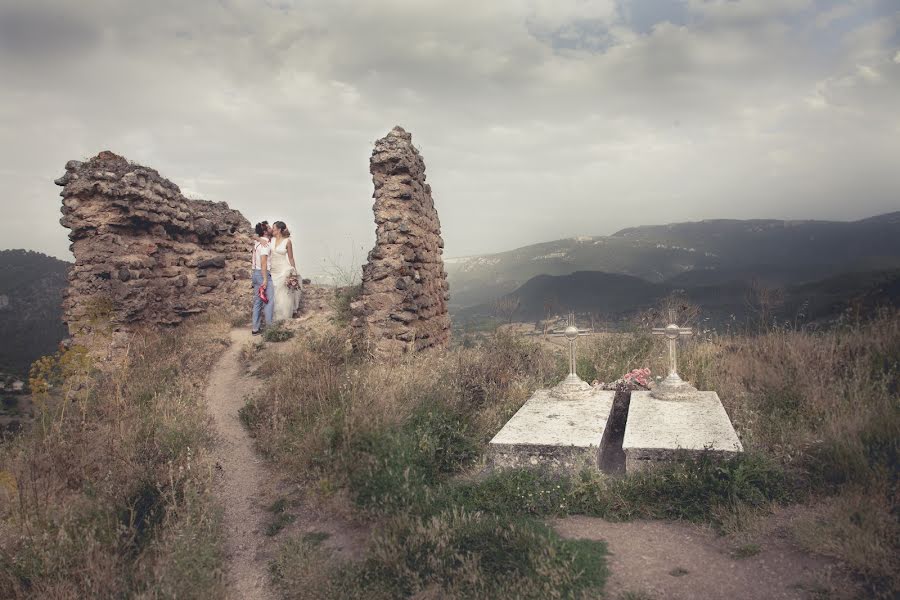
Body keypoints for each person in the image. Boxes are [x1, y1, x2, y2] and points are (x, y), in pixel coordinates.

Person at [269, 220, 301, 321]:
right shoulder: (271, 239)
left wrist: (294, 271)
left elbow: (291, 258)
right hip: (273, 270)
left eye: (273, 228)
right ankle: (272, 319)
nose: (272, 229)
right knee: (273, 295)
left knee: (283, 297)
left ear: (278, 230)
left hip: (283, 270)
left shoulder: (287, 241)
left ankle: (283, 319)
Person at [251, 221, 274, 334]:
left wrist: (258, 238)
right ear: (265, 231)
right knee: (269, 301)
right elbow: (264, 262)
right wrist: (265, 279)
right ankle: (270, 329)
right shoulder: (265, 244)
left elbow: (253, 235)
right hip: (262, 274)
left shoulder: (258, 242)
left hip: (255, 273)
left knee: (258, 302)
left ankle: (255, 328)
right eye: (269, 228)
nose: (271, 229)